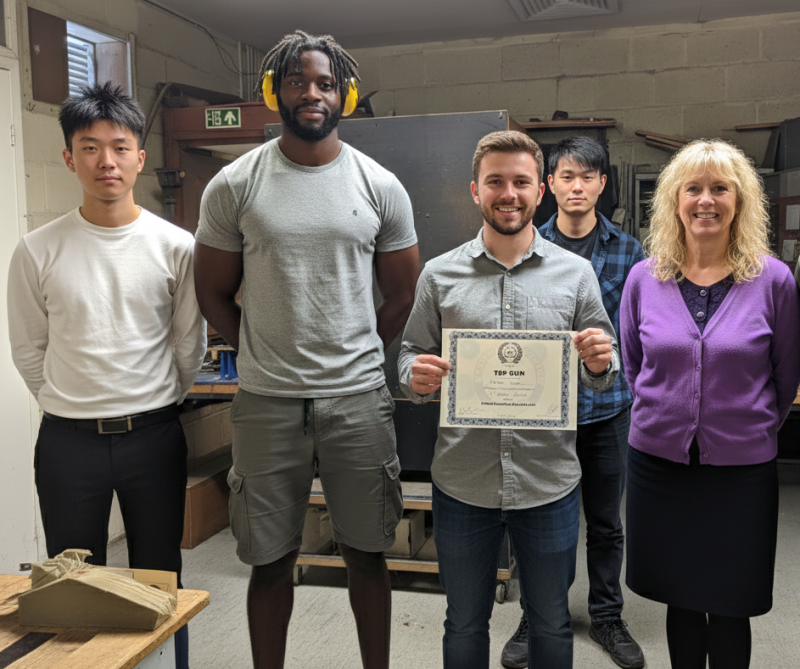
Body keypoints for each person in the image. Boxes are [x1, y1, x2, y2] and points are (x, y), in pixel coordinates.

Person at [193, 30, 419, 669]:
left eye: (324, 83)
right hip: (266, 403)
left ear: (343, 92)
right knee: (269, 560)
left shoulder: (380, 185)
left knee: (367, 554)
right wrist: (261, 350)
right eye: (297, 81)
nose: (312, 94)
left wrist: (355, 355)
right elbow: (212, 292)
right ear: (274, 92)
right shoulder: (235, 185)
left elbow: (401, 293)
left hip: (359, 402)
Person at [398, 130, 619, 669]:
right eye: (495, 181)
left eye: (521, 181)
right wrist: (415, 377)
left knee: (550, 623)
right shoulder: (439, 274)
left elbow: (604, 374)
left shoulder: (576, 274)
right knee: (463, 623)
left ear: (539, 190)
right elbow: (408, 355)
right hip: (463, 483)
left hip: (548, 484)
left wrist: (599, 361)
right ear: (475, 190)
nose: (508, 193)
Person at [7, 82, 206, 669]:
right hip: (68, 443)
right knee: (74, 579)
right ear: (69, 158)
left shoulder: (177, 246)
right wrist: (67, 402)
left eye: (119, 147)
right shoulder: (37, 249)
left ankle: (166, 660)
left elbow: (187, 343)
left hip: (154, 434)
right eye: (89, 148)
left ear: (140, 156)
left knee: (158, 572)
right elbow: (28, 349)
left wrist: (156, 399)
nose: (106, 161)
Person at [620, 139, 800, 669]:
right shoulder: (643, 279)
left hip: (740, 471)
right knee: (681, 595)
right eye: (693, 188)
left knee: (729, 603)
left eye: (720, 188)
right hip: (661, 466)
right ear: (674, 200)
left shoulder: (774, 281)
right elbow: (635, 367)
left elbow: (786, 375)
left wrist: (748, 428)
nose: (706, 200)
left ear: (739, 202)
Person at [501, 136, 644, 669]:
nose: (577, 186)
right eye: (566, 176)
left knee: (606, 523)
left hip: (608, 412)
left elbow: (638, 333)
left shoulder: (630, 251)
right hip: (544, 413)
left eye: (587, 177)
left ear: (602, 184)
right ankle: (540, 614)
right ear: (549, 186)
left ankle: (607, 615)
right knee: (543, 522)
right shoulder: (526, 245)